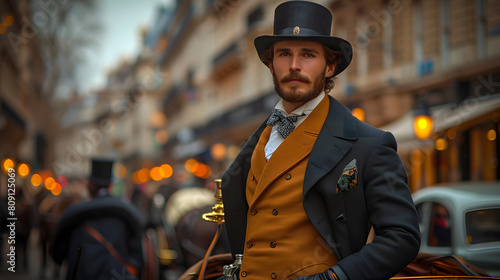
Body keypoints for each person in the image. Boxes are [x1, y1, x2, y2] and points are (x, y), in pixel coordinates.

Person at [221, 1, 421, 279]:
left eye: (307, 55)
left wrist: (336, 277)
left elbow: (402, 237)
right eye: (283, 55)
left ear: (330, 66)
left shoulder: (369, 144)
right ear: (270, 64)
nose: (293, 66)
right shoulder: (259, 138)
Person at [50, 158, 144, 280]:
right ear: (110, 185)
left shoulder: (73, 215)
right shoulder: (127, 215)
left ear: (89, 186)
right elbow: (138, 258)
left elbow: (57, 254)